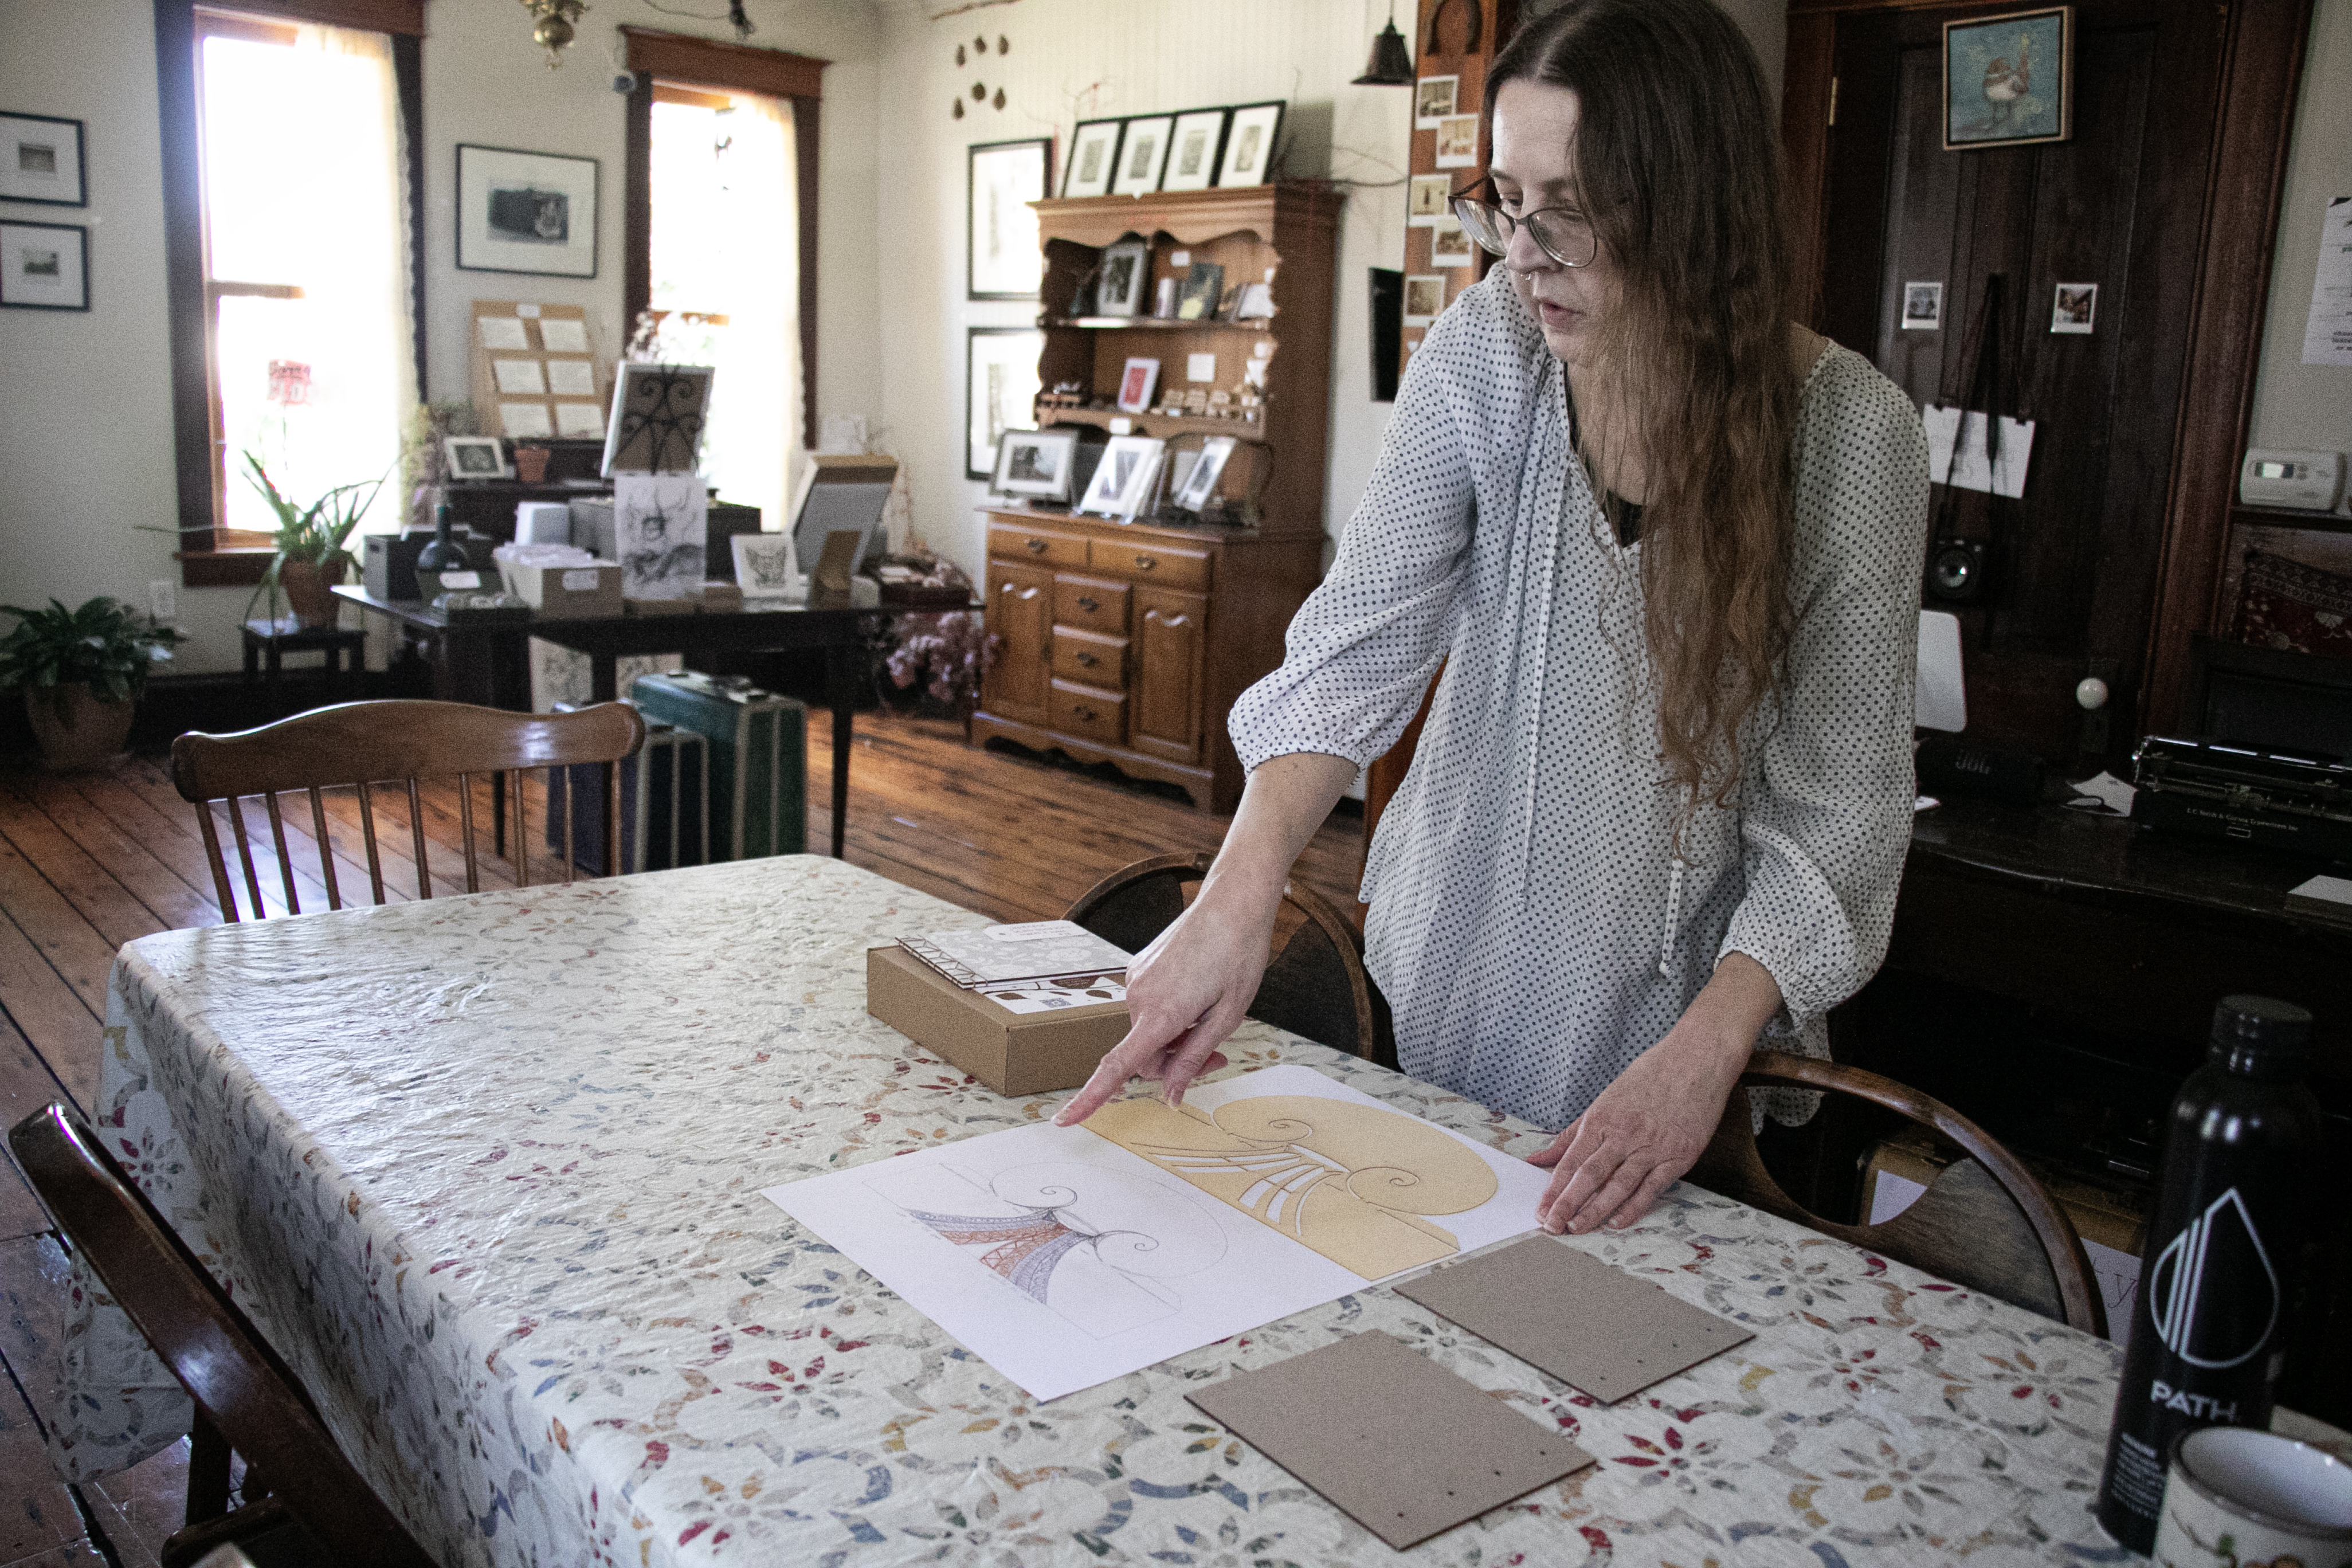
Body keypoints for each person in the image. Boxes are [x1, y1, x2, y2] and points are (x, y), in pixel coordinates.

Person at [1056, 0, 1930, 1240]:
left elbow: (1839, 815)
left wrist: (1709, 1051)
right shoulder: (1488, 356)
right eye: (1506, 203)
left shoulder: (1851, 439)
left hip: (1681, 1046)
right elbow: (1356, 649)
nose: (1524, 254)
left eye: (1570, 211)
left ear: (1697, 209)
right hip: (1445, 969)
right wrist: (1237, 892)